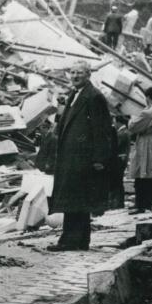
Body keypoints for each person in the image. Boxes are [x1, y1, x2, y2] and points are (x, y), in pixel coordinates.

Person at [49, 60, 114, 251]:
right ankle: (77, 240)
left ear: (88, 75)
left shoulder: (94, 96)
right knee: (75, 200)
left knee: (78, 200)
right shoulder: (76, 94)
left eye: (80, 73)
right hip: (72, 157)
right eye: (73, 72)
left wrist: (99, 158)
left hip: (82, 158)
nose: (75, 76)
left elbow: (101, 129)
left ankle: (72, 240)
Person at [107, 115, 130, 209]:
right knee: (118, 182)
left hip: (118, 160)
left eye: (114, 122)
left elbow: (115, 146)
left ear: (119, 122)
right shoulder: (125, 132)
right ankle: (118, 203)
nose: (114, 124)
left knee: (116, 182)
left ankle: (117, 203)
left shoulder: (121, 134)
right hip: (121, 160)